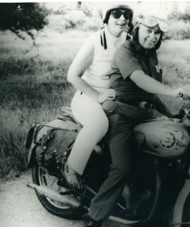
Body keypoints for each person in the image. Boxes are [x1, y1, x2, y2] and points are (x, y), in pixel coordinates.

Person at [84, 12, 190, 227]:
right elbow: (140, 80)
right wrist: (172, 92)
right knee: (121, 167)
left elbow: (150, 93)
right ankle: (95, 217)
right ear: (137, 30)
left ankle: (142, 208)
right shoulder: (126, 51)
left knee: (157, 157)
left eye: (157, 34)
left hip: (142, 116)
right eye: (149, 31)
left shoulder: (151, 55)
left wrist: (170, 114)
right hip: (120, 115)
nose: (152, 36)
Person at [63, 4, 134, 189]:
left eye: (126, 14)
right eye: (116, 14)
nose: (122, 18)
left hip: (115, 99)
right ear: (106, 18)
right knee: (99, 124)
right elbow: (72, 76)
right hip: (87, 96)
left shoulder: (129, 40)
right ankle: (72, 168)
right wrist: (98, 95)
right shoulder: (94, 41)